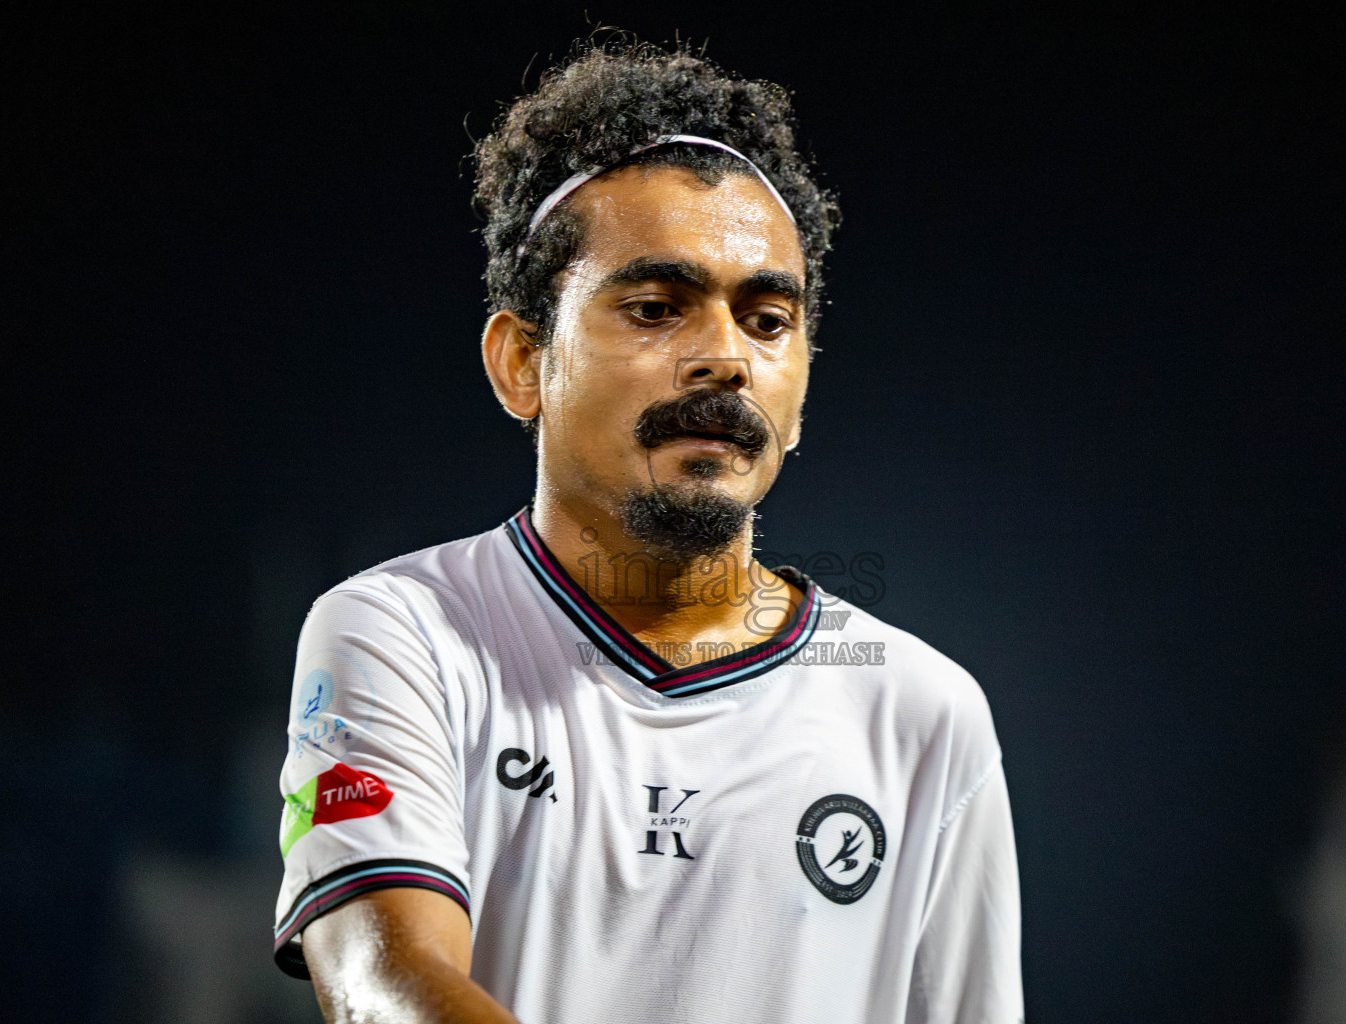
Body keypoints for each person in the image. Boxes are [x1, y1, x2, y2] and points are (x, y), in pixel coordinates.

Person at [271, 40, 1024, 1024]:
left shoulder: (924, 715)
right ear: (521, 364)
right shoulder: (402, 632)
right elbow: (384, 990)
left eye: (767, 319)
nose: (723, 357)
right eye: (657, 308)